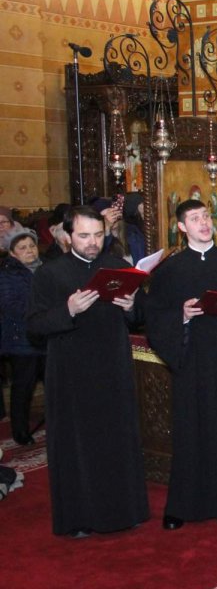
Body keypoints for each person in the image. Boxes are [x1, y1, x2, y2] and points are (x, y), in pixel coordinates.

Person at [25, 207, 148, 536]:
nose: (93, 243)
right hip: (71, 372)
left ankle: (125, 512)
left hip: (113, 366)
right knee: (78, 445)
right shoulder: (50, 274)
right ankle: (81, 518)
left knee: (117, 439)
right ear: (66, 236)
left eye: (98, 235)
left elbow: (139, 317)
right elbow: (34, 327)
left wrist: (131, 307)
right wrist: (68, 309)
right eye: (84, 236)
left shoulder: (118, 266)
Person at [145, 199, 217, 529]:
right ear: (182, 227)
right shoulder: (170, 269)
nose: (204, 223)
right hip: (193, 362)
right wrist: (180, 315)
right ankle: (184, 506)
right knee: (192, 430)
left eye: (206, 216)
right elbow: (154, 316)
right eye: (195, 219)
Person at [0, 231, 44, 446]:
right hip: (22, 339)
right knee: (23, 388)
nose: (29, 251)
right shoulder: (7, 274)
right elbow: (10, 305)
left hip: (45, 336)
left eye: (32, 246)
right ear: (13, 253)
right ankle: (20, 432)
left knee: (53, 383)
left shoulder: (44, 269)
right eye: (23, 248)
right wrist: (41, 310)